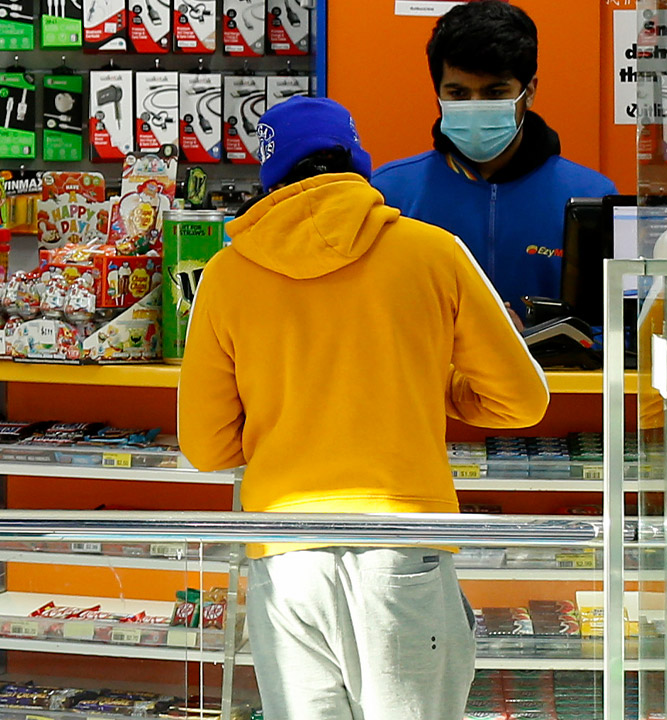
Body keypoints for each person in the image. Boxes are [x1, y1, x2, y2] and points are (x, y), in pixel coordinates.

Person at [177, 96, 550, 720]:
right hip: (403, 542)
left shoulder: (225, 275)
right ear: (356, 158)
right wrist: (437, 386)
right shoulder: (435, 253)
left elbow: (206, 446)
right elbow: (521, 401)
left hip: (285, 550)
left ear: (271, 175)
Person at [371, 0, 617, 316]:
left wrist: (534, 338)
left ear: (528, 91)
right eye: (458, 94)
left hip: (546, 366)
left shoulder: (591, 196)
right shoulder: (388, 194)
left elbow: (618, 332)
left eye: (495, 93)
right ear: (439, 94)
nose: (476, 104)